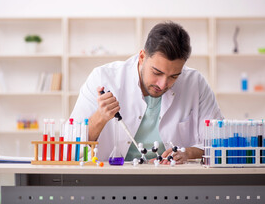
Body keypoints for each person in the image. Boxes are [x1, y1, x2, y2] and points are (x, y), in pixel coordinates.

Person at [70, 22, 223, 164]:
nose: (163, 84)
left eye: (173, 76)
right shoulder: (103, 78)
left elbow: (218, 143)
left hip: (174, 181)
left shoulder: (195, 83)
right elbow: (69, 149)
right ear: (142, 57)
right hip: (112, 182)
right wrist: (100, 117)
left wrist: (187, 153)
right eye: (157, 72)